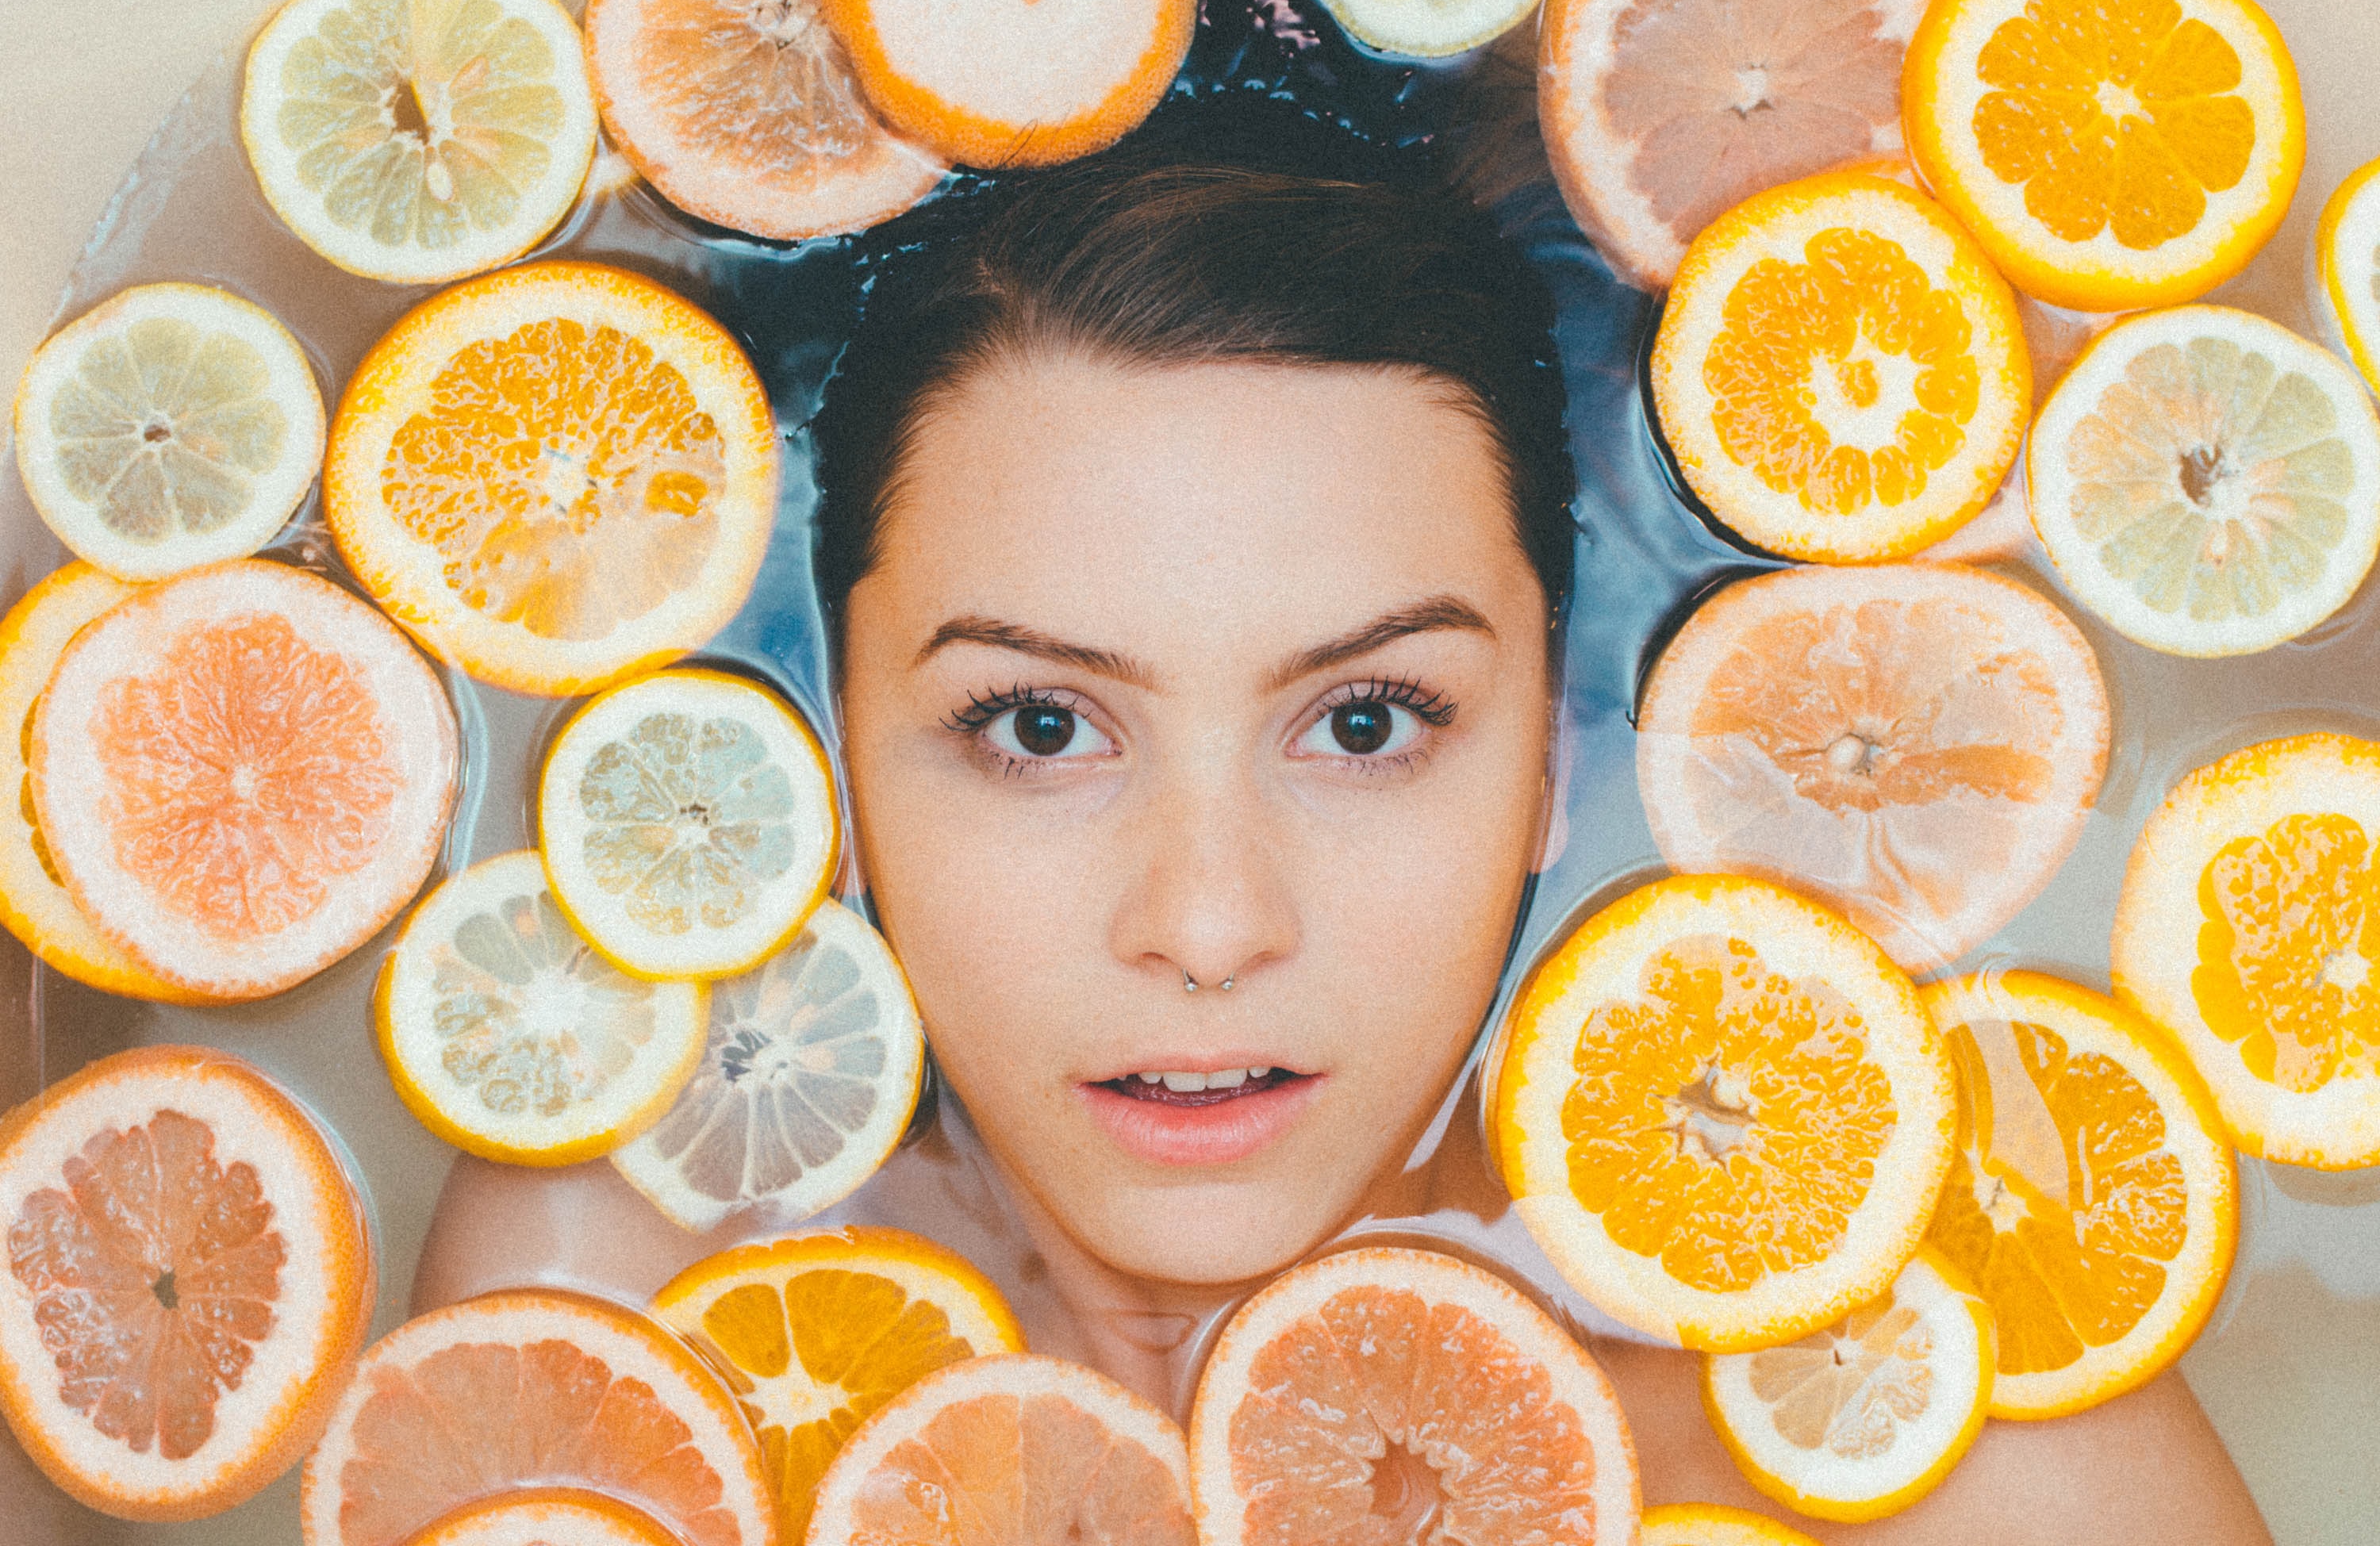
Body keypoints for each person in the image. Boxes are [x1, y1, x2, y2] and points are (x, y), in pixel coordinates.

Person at [416, 111, 2271, 1542]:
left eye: (1367, 721)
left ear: (1554, 754)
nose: (1209, 921)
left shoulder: (1923, 1408)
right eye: (1038, 724)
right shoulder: (633, 1312)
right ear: (835, 760)